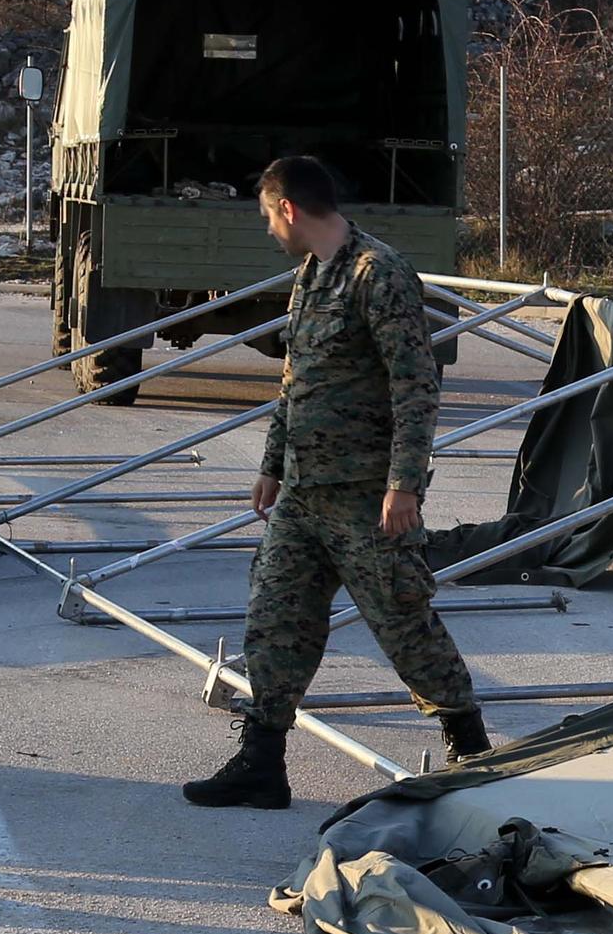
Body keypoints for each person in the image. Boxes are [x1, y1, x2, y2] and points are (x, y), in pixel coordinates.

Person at [182, 154, 490, 810]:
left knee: (404, 622)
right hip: (303, 493)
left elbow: (416, 386)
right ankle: (262, 763)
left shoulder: (378, 274)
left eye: (269, 216)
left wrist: (404, 484)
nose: (269, 230)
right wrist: (271, 464)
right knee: (274, 619)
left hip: (365, 497)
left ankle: (471, 748)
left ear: (288, 208)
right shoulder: (311, 274)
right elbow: (295, 382)